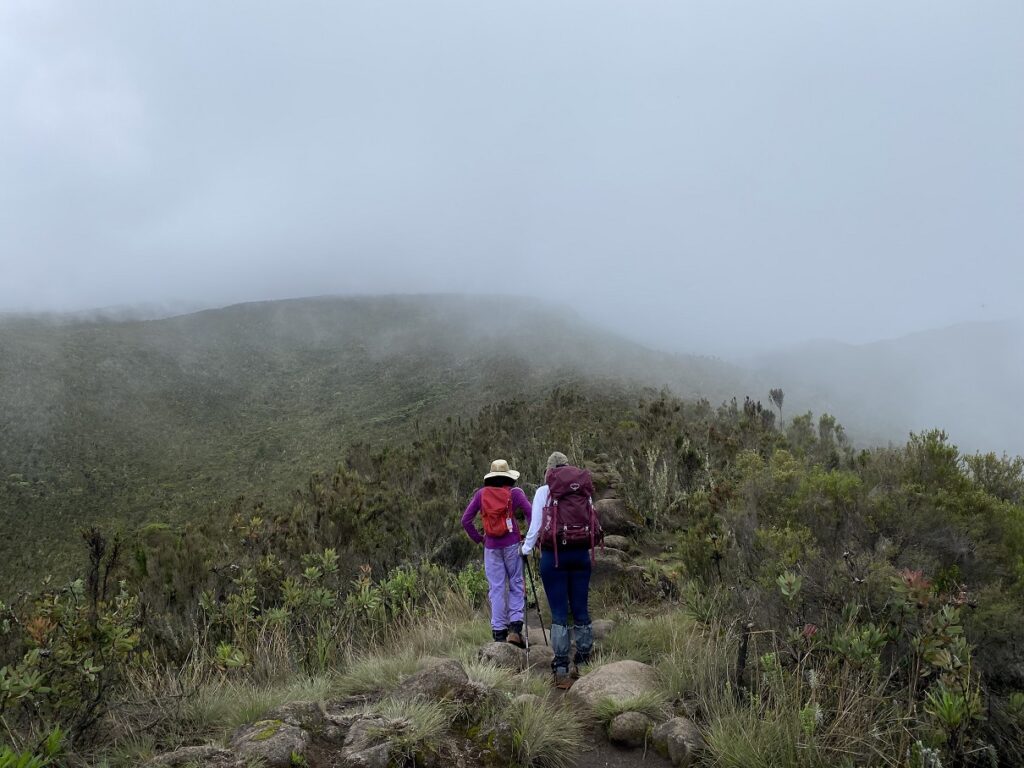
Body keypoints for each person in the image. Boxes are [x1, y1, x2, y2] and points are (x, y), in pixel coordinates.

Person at [521, 451, 599, 689]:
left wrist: (525, 549)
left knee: (559, 613)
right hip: (581, 554)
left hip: (553, 557)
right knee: (580, 608)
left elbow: (536, 526)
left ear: (549, 470)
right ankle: (584, 660)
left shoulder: (544, 492)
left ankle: (562, 668)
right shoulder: (582, 490)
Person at [461, 459, 532, 646]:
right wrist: (529, 537)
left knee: (497, 588)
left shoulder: (481, 494)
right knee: (516, 583)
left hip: (491, 547)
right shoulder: (515, 493)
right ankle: (515, 628)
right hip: (512, 544)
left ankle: (499, 632)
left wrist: (480, 539)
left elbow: (465, 520)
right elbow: (530, 512)